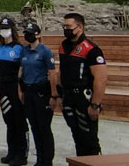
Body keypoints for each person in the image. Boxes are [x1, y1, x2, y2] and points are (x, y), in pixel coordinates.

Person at [58, 13, 107, 157]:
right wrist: (60, 95)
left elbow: (101, 78)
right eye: (64, 26)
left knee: (89, 139)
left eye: (68, 26)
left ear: (79, 27)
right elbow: (62, 71)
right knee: (77, 136)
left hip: (83, 98)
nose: (65, 29)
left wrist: (95, 104)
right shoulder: (64, 46)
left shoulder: (91, 49)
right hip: (69, 96)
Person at [21, 22, 57, 166]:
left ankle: (47, 160)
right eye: (26, 33)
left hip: (41, 92)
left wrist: (54, 95)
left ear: (38, 35)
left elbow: (52, 73)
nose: (28, 36)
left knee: (44, 127)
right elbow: (22, 70)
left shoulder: (45, 51)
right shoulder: (24, 51)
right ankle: (39, 158)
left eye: (31, 33)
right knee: (34, 126)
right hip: (29, 92)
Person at [0, 17, 28, 166]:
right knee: (8, 120)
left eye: (6, 28)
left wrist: (20, 89)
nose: (4, 31)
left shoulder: (19, 48)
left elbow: (22, 70)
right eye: (2, 28)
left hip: (15, 87)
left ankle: (22, 154)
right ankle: (12, 151)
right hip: (3, 87)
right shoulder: (0, 48)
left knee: (19, 121)